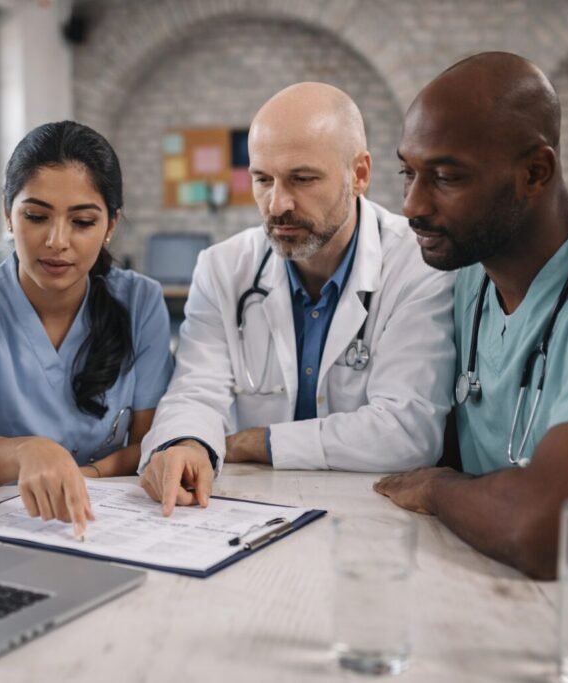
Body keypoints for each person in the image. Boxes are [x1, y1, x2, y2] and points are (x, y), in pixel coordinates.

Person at [375, 52, 568, 580]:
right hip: (494, 592)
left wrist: (437, 488)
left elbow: (544, 530)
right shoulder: (468, 275)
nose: (412, 204)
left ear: (535, 173)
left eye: (446, 177)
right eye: (407, 172)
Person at [139, 82, 457, 515]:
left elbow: (407, 432)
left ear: (359, 174)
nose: (277, 204)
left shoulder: (416, 266)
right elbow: (195, 390)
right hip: (248, 509)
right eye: (262, 179)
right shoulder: (223, 268)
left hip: (367, 516)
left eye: (302, 179)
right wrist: (186, 442)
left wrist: (257, 441)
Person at [0, 121, 173, 537]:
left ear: (110, 226)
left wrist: (81, 475)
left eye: (82, 222)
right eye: (36, 216)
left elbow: (149, 444)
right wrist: (29, 453)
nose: (57, 241)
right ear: (8, 216)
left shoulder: (140, 302)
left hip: (103, 520)